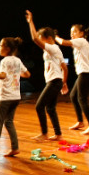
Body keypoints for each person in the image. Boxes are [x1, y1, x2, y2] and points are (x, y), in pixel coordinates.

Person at [57, 23, 89, 134]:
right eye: (71, 32)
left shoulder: (80, 41)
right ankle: (80, 121)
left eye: (74, 32)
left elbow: (63, 42)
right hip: (86, 73)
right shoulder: (85, 44)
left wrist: (54, 37)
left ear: (81, 33)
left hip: (85, 73)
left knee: (82, 98)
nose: (72, 34)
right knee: (73, 96)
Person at [25, 10, 68, 140]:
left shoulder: (53, 48)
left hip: (54, 81)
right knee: (50, 108)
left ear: (48, 38)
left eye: (41, 38)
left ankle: (44, 134)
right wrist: (64, 82)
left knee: (39, 106)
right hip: (56, 81)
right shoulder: (56, 49)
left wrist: (31, 22)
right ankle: (58, 134)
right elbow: (65, 68)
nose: (40, 41)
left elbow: (34, 39)